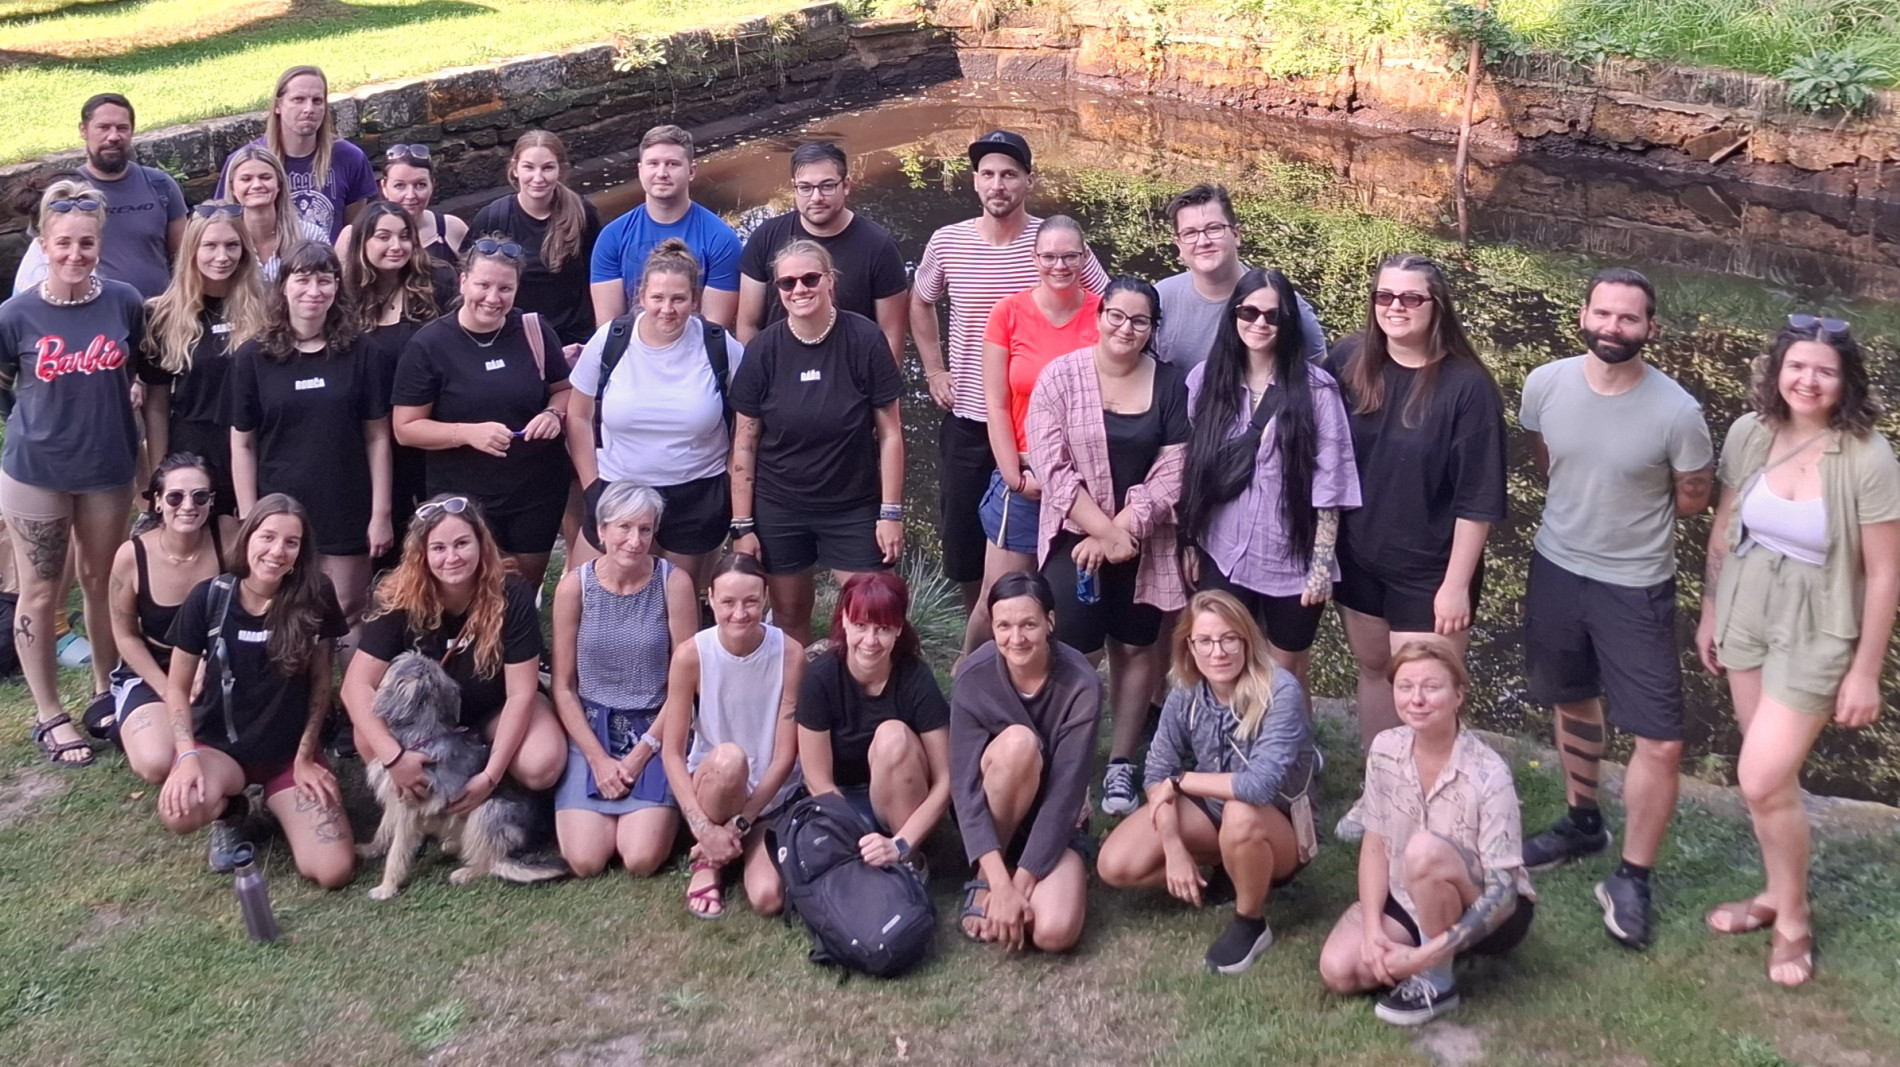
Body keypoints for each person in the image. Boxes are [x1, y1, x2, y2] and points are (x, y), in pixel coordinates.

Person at [1694, 316, 1900, 987]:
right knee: (1772, 781)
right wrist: (1711, 609)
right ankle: (1776, 893)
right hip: (1748, 603)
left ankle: (1794, 918)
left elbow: (1885, 573)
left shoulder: (1867, 457)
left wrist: (1865, 670)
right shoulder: (1750, 433)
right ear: (1777, 371)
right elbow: (1725, 525)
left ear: (1846, 381)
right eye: (1798, 366)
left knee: (1759, 777)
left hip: (1820, 621)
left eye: (1825, 370)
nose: (1808, 380)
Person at [1514, 268, 1713, 952]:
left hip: (1635, 584)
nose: (1613, 328)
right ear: (1583, 314)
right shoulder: (1545, 383)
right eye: (1603, 313)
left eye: (1629, 318)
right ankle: (1582, 820)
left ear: (1650, 327)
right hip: (1556, 566)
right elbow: (1546, 456)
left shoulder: (1678, 412)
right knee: (1570, 695)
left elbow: (1692, 497)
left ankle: (1632, 876)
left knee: (1660, 736)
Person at [911, 130, 1108, 608]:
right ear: (975, 181)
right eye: (988, 175)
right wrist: (935, 370)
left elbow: (1109, 308)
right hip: (970, 415)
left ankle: (1042, 621)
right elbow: (920, 301)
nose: (998, 185)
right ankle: (981, 622)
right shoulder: (948, 241)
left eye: (1009, 175)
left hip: (1043, 428)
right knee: (962, 539)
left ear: (1028, 181)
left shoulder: (1054, 244)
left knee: (1042, 535)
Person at [0, 181, 155, 766]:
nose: (75, 253)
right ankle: (48, 714)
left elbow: (140, 371)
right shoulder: (15, 315)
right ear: (43, 244)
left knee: (100, 579)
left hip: (108, 465)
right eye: (63, 243)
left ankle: (104, 689)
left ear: (99, 243)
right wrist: (35, 421)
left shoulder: (124, 301)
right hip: (36, 471)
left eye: (86, 243)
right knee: (40, 590)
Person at [1326, 254, 1506, 750]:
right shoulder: (1349, 359)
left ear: (1437, 305)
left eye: (1411, 297)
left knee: (1424, 693)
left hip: (1430, 571)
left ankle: (1433, 789)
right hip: (1359, 558)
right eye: (1384, 296)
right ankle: (1381, 783)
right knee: (1376, 670)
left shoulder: (1467, 388)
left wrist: (1456, 586)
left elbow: (1478, 498)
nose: (1395, 307)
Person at [1025, 276, 1188, 817]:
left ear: (1152, 329)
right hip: (1074, 541)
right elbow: (1051, 466)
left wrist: (1124, 529)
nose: (1126, 328)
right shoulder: (1060, 377)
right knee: (1071, 653)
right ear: (1099, 317)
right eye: (1116, 316)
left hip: (1146, 541)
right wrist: (1102, 534)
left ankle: (1120, 762)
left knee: (1137, 648)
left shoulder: (1170, 385)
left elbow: (1174, 469)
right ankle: (1063, 760)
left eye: (1140, 321)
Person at [1096, 590, 1320, 974]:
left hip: (1280, 825)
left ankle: (1250, 921)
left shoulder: (1279, 689)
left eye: (1229, 639)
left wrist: (1181, 782)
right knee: (1115, 864)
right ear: (1190, 646)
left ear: (1247, 641)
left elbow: (1259, 787)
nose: (1218, 652)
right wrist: (1173, 846)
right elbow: (1157, 773)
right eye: (1205, 641)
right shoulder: (1186, 690)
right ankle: (1226, 873)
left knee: (1240, 813)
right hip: (1214, 811)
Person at [1317, 640, 1535, 1027]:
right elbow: (1375, 843)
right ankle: (1427, 942)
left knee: (1423, 851)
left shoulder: (1489, 773)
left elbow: (1503, 894)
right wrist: (1372, 930)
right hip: (1407, 892)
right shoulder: (1385, 748)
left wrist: (1421, 959)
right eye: (1405, 687)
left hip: (1490, 908)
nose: (1416, 699)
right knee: (1339, 971)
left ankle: (1437, 980)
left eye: (1431, 687)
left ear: (1458, 695)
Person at [156, 494, 353, 888]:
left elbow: (321, 685)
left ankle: (280, 804)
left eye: (291, 543)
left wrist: (305, 757)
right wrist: (187, 755)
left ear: (301, 553)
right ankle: (232, 812)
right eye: (268, 537)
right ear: (247, 538)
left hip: (286, 755)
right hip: (220, 749)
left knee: (334, 871)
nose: (277, 551)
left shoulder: (316, 595)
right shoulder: (209, 597)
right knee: (180, 812)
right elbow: (177, 688)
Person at [1179, 267, 1360, 687]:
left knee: (1284, 674)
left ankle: (1285, 732)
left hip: (1290, 557)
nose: (1259, 323)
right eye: (1249, 312)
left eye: (1273, 315)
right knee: (1222, 665)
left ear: (1288, 322)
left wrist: (1320, 566)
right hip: (1221, 549)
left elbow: (1331, 482)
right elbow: (1193, 469)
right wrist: (1188, 540)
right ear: (1234, 314)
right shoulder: (1205, 381)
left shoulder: (1317, 391)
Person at [729, 240, 905, 645]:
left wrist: (890, 512)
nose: (799, 289)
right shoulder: (763, 350)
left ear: (830, 281)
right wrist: (742, 526)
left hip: (853, 502)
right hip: (780, 504)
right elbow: (744, 444)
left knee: (874, 608)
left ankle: (865, 681)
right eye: (787, 283)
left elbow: (891, 433)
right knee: (790, 612)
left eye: (810, 279)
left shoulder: (865, 339)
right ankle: (801, 684)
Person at [341, 495, 566, 805]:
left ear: (481, 544)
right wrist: (394, 757)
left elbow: (520, 694)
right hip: (426, 720)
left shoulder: (512, 593)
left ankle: (496, 790)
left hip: (495, 709)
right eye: (438, 548)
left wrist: (490, 777)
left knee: (543, 762)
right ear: (422, 553)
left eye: (462, 543)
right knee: (366, 738)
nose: (452, 557)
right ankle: (423, 807)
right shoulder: (398, 596)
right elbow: (355, 686)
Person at [958, 215, 1102, 656]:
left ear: (1084, 257)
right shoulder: (1008, 313)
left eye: (1070, 256)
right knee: (998, 599)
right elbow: (996, 402)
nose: (1059, 266)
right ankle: (967, 677)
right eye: (1049, 256)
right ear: (1035, 258)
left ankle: (1053, 687)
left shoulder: (1104, 315)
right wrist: (1014, 476)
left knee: (1072, 606)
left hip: (1084, 483)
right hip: (1026, 476)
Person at [229, 242, 393, 626]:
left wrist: (380, 514)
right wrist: (251, 516)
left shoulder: (363, 353)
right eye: (302, 279)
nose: (314, 291)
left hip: (345, 505)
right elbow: (242, 443)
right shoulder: (252, 357)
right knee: (281, 610)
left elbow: (378, 438)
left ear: (337, 286)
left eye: (325, 280)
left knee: (346, 610)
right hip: (279, 505)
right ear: (283, 285)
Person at [392, 237, 573, 581]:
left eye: (505, 288)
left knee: (522, 585)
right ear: (463, 282)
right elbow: (406, 428)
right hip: (463, 495)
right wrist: (467, 434)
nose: (493, 298)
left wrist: (553, 414)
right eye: (483, 285)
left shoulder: (533, 330)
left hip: (534, 489)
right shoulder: (429, 345)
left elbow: (564, 390)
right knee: (470, 584)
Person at [567, 239, 741, 588]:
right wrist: (592, 487)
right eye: (658, 298)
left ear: (695, 300)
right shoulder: (611, 340)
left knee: (677, 601)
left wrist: (729, 482)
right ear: (641, 295)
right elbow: (578, 415)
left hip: (696, 495)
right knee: (585, 591)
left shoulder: (719, 345)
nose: (667, 309)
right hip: (618, 489)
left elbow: (747, 423)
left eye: (679, 299)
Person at [550, 483, 699, 878]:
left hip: (655, 728)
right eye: (624, 528)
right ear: (601, 531)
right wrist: (597, 759)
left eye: (645, 529)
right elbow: (562, 686)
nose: (635, 541)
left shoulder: (674, 584)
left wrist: (642, 753)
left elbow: (686, 685)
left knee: (640, 858)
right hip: (591, 729)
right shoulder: (574, 587)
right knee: (585, 860)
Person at [950, 570, 1100, 953]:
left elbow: (1066, 795)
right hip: (995, 810)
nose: (1016, 638)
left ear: (1050, 622)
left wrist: (1016, 889)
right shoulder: (973, 676)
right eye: (1004, 626)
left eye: (1028, 625)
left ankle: (1026, 871)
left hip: (1055, 820)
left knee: (1054, 933)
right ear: (992, 626)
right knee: (1019, 743)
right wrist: (998, 886)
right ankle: (986, 875)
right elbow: (964, 789)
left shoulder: (1081, 683)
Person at [658, 552, 805, 919]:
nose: (739, 613)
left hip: (768, 797)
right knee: (731, 759)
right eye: (728, 602)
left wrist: (741, 823)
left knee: (768, 899)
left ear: (766, 597)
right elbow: (672, 753)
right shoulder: (691, 655)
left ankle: (739, 844)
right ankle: (708, 862)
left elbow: (785, 756)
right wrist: (702, 826)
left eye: (751, 602)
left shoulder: (790, 655)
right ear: (710, 598)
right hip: (716, 783)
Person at [797, 571, 952, 870]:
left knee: (893, 735)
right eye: (860, 625)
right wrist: (858, 835)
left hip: (906, 805)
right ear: (844, 620)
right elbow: (817, 779)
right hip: (840, 800)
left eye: (883, 628)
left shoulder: (915, 678)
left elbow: (946, 781)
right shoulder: (821, 677)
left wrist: (901, 843)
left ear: (898, 629)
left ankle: (909, 863)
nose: (870, 640)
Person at [109, 454, 240, 792]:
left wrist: (207, 661)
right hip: (156, 666)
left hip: (219, 660)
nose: (188, 506)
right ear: (156, 502)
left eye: (200, 496)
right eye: (175, 497)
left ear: (212, 501)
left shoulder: (228, 535)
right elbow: (125, 636)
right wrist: (169, 689)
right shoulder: (131, 556)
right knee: (155, 762)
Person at [141, 201, 269, 517]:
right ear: (192, 250)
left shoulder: (268, 308)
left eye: (232, 245)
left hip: (256, 445)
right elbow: (157, 404)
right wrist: (160, 474)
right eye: (210, 246)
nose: (222, 256)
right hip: (191, 448)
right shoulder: (162, 314)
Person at [735, 141, 907, 362]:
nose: (816, 197)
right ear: (794, 187)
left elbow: (891, 335)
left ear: (846, 185)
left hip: (851, 372)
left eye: (827, 186)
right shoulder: (766, 237)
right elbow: (748, 324)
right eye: (805, 187)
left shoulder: (879, 246)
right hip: (779, 371)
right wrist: (756, 374)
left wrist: (884, 383)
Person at [343, 200, 443, 567]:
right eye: (383, 237)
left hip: (430, 434)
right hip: (369, 439)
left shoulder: (439, 284)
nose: (396, 246)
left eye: (404, 236)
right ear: (362, 242)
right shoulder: (343, 298)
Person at [1152, 183, 1325, 368]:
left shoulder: (1285, 306)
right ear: (1179, 245)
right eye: (1190, 233)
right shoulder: (1159, 299)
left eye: (1213, 229)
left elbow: (1319, 375)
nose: (1203, 241)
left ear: (1236, 235)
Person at [590, 125, 741, 330]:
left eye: (672, 164)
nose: (662, 173)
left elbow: (713, 330)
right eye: (653, 163)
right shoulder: (612, 237)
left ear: (691, 171)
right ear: (640, 170)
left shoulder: (721, 239)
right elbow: (609, 327)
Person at [470, 131, 602, 347]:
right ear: (515, 169)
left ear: (560, 170)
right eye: (529, 167)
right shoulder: (494, 217)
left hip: (573, 340)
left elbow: (598, 276)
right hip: (514, 340)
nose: (538, 178)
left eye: (547, 168)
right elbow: (470, 283)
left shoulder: (583, 214)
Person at [218, 66, 377, 241]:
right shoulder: (243, 164)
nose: (309, 108)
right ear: (278, 105)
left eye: (317, 100)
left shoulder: (350, 158)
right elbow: (222, 227)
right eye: (298, 99)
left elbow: (352, 235)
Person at [75, 93, 185, 299]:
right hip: (93, 312)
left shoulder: (161, 185)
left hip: (160, 310)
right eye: (103, 127)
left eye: (122, 128)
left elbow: (184, 258)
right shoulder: (66, 193)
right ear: (84, 130)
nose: (113, 136)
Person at [335, 143, 467, 278]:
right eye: (399, 186)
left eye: (420, 185)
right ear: (384, 186)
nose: (410, 195)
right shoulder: (352, 235)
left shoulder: (452, 228)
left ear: (432, 185)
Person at [221, 145, 327, 283]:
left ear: (279, 185)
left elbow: (326, 284)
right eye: (246, 179)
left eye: (265, 177)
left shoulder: (311, 235)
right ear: (232, 188)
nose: (257, 185)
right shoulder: (221, 240)